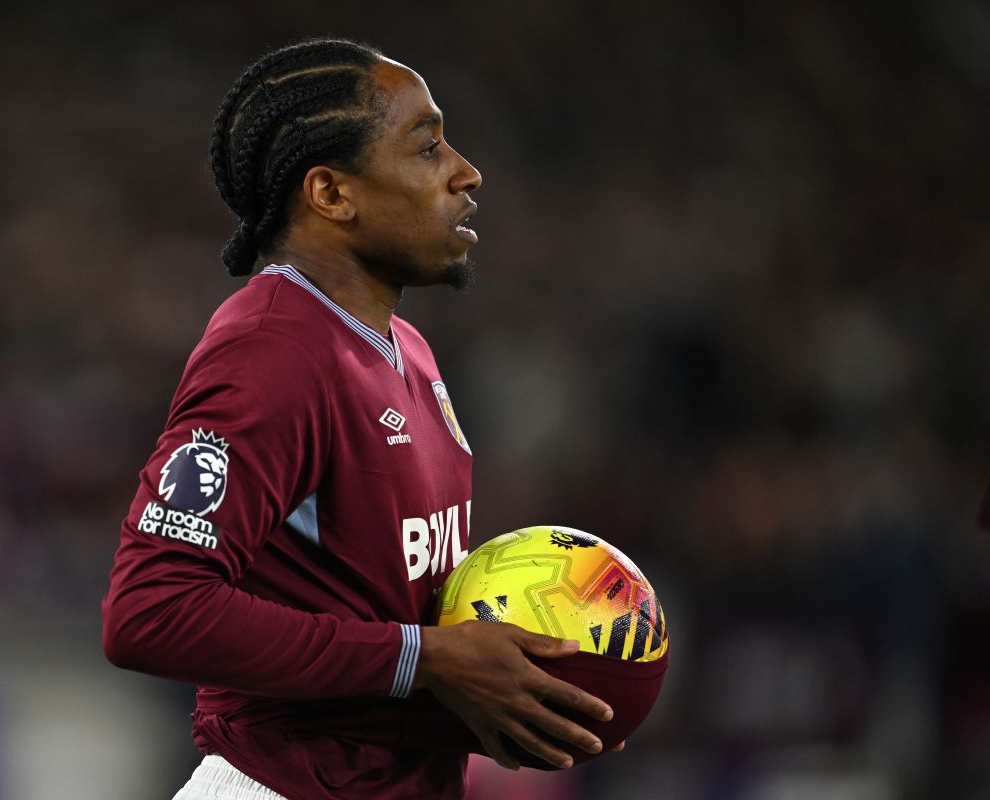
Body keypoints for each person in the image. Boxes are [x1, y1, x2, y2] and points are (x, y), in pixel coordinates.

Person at [102, 38, 620, 800]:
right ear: (332, 194)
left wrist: (494, 684)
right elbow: (152, 612)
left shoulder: (404, 347)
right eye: (427, 146)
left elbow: (378, 613)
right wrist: (431, 659)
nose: (465, 172)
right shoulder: (270, 352)